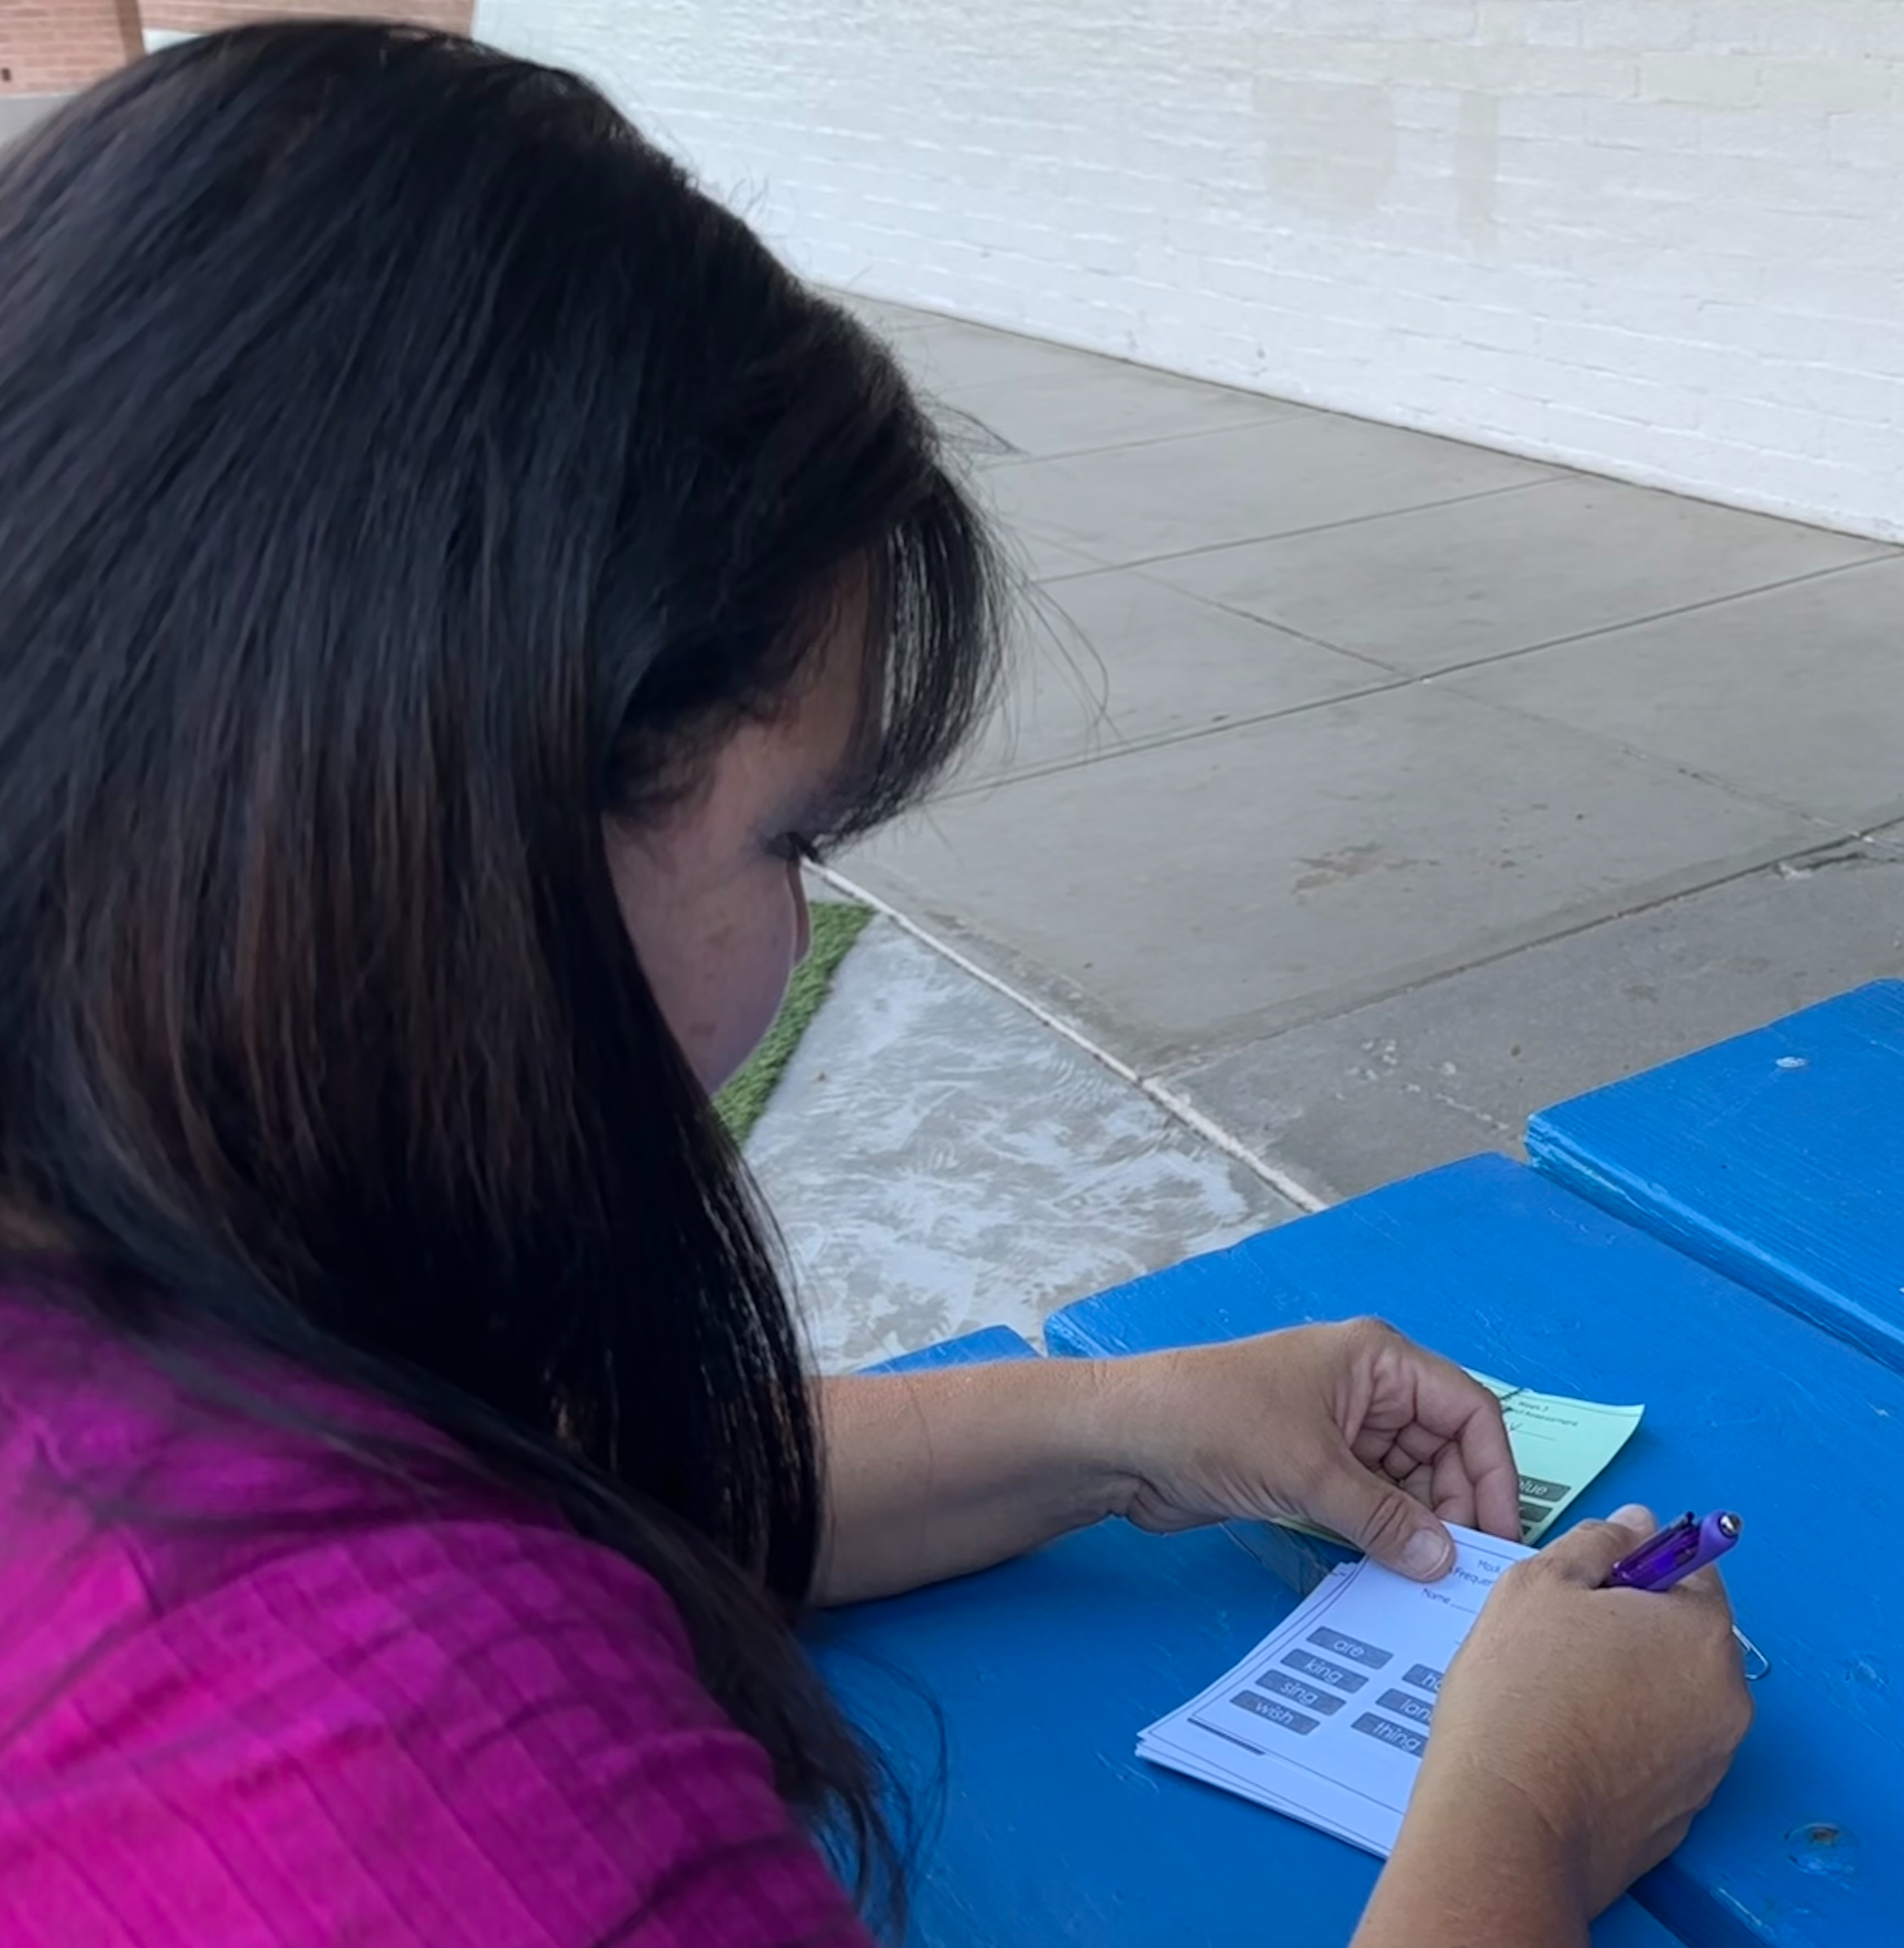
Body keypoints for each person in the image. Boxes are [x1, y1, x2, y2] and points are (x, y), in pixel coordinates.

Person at [0, 25, 1747, 1946]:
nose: (796, 938)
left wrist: (1131, 1418)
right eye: (788, 845)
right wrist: (1519, 1812)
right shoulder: (414, 1766)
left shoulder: (144, 1332)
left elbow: (590, 1469)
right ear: (428, 820)